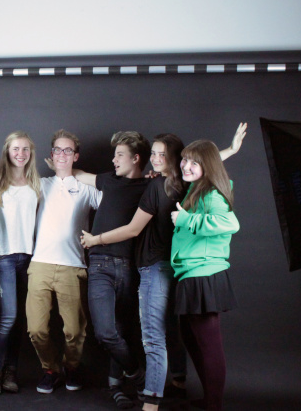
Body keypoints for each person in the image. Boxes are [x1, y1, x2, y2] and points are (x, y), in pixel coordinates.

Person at [81, 124, 246, 411]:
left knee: (159, 338)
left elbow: (134, 230)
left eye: (161, 154)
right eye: (153, 153)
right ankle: (183, 386)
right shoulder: (188, 184)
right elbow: (202, 164)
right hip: (180, 270)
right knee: (177, 333)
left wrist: (96, 239)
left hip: (169, 270)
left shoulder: (167, 186)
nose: (155, 159)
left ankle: (153, 402)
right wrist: (229, 150)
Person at [71, 131, 151, 410]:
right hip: (100, 265)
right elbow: (80, 174)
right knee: (105, 332)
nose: (113, 159)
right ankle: (137, 375)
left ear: (136, 158)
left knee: (124, 330)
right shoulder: (108, 180)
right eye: (114, 154)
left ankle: (115, 385)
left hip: (130, 267)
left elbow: (180, 173)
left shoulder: (149, 187)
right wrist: (64, 159)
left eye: (119, 155)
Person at [26, 129, 101, 394]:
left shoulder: (86, 188)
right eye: (57, 149)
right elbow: (7, 192)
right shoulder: (40, 184)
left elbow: (117, 198)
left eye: (68, 150)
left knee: (74, 331)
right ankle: (51, 369)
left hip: (73, 266)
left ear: (76, 156)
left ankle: (71, 366)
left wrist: (79, 175)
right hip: (40, 265)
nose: (62, 154)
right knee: (36, 329)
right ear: (51, 155)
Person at [169, 140, 240, 411]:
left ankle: (214, 405)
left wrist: (187, 220)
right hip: (191, 273)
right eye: (184, 159)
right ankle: (212, 400)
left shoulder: (212, 194)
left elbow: (230, 223)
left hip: (204, 274)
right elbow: (206, 162)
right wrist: (229, 151)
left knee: (208, 344)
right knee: (191, 338)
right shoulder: (198, 186)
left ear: (206, 167)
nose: (185, 165)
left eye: (193, 162)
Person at [0, 131, 41, 395]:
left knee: (19, 320)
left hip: (29, 257)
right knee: (8, 317)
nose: (20, 154)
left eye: (25, 150)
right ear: (7, 152)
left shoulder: (36, 184)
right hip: (4, 256)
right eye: (16, 149)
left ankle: (11, 372)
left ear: (31, 154)